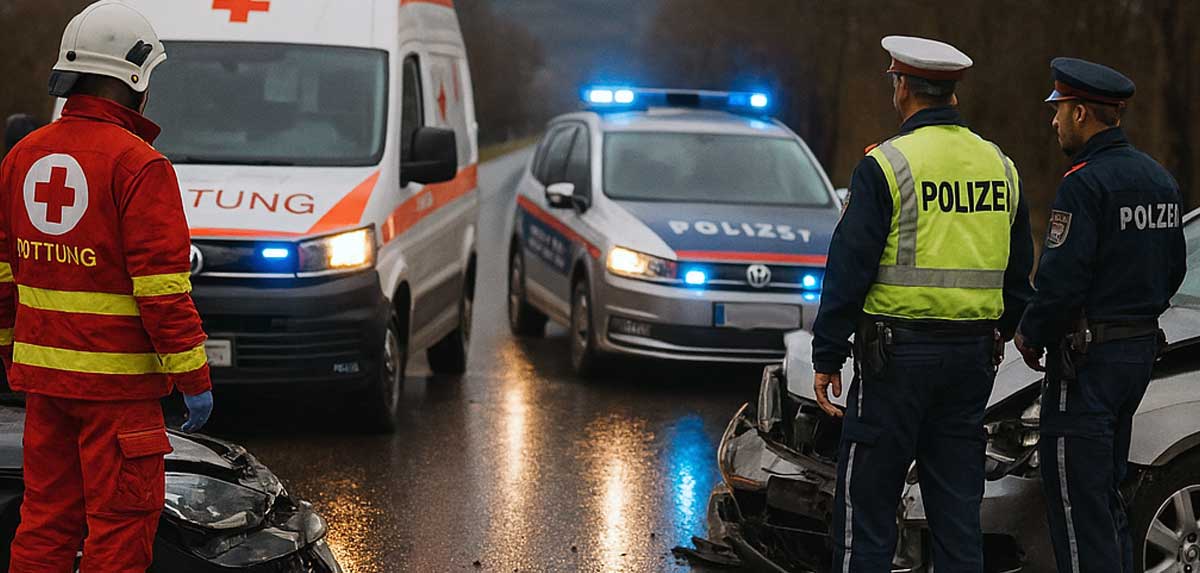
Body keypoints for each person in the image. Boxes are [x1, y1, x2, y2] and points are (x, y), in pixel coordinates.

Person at [0, 2, 214, 571]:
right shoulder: (139, 166)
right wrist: (193, 377)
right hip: (119, 395)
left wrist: (10, 353)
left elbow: (3, 274)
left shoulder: (21, 157)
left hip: (46, 388)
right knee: (119, 528)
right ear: (136, 79)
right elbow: (162, 292)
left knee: (44, 522)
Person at [810, 35, 1035, 571]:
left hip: (895, 364)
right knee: (957, 515)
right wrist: (1007, 328)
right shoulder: (1000, 166)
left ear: (903, 87)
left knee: (867, 511)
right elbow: (1018, 271)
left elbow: (849, 266)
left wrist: (828, 353)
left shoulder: (887, 165)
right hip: (971, 362)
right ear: (952, 93)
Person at [1014, 58, 1187, 573]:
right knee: (1107, 497)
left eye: (1060, 110)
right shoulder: (1159, 180)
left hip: (1086, 365)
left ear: (1082, 113)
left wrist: (1030, 333)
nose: (1054, 121)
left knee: (1075, 504)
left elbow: (1061, 282)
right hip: (1136, 355)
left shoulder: (1084, 184)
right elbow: (1174, 270)